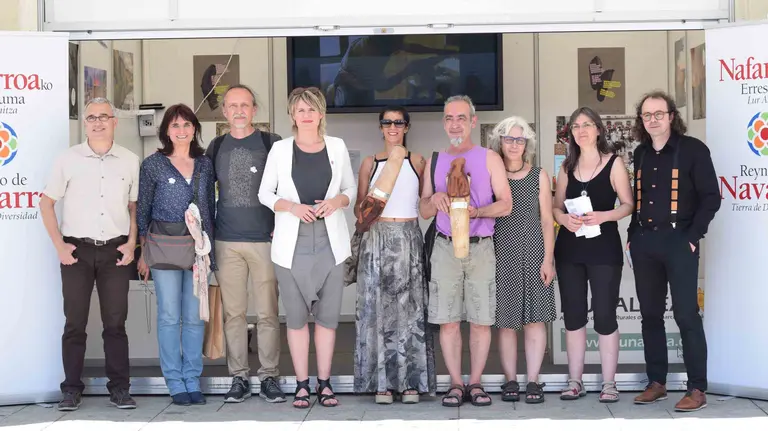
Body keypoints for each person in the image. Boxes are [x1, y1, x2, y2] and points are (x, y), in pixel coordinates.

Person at [258, 86, 356, 409]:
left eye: (312, 108)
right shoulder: (280, 150)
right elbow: (265, 194)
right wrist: (290, 206)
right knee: (297, 319)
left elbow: (349, 189)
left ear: (321, 113)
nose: (306, 114)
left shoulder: (337, 147)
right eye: (300, 110)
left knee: (328, 319)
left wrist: (337, 202)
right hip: (291, 246)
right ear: (292, 116)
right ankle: (302, 385)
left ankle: (324, 384)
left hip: (330, 244)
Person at [39, 97, 139, 411]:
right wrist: (59, 246)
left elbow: (133, 207)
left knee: (115, 324)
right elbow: (46, 203)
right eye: (91, 117)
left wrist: (131, 243)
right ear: (84, 123)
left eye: (103, 117)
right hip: (76, 252)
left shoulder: (129, 159)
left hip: (115, 252)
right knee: (75, 323)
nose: (97, 122)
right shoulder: (68, 159)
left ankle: (120, 389)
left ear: (114, 122)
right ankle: (70, 390)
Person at [628, 91, 720, 412]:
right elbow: (638, 200)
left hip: (680, 241)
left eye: (658, 113)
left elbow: (712, 197)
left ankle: (697, 388)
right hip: (645, 243)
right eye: (646, 115)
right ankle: (657, 382)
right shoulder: (640, 153)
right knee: (650, 315)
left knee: (685, 315)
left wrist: (693, 237)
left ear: (671, 116)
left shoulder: (693, 150)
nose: (652, 119)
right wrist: (631, 235)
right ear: (642, 120)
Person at [419, 95, 512, 407]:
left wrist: (477, 212)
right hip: (445, 248)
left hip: (481, 248)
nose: (454, 123)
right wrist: (435, 200)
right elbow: (423, 209)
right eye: (449, 118)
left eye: (461, 117)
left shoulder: (489, 158)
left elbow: (506, 204)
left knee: (480, 319)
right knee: (447, 320)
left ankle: (476, 383)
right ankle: (456, 384)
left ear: (473, 121)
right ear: (444, 123)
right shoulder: (434, 161)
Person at [205, 84, 286, 403]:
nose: (239, 111)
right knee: (233, 315)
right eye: (232, 105)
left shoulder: (272, 143)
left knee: (267, 313)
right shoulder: (216, 145)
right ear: (224, 111)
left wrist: (281, 228)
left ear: (255, 110)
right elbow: (203, 191)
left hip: (265, 241)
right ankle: (238, 377)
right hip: (226, 241)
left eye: (245, 105)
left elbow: (286, 189)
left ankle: (269, 376)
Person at [352, 106, 436, 404]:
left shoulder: (418, 162)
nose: (392, 127)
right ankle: (382, 383)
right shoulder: (369, 163)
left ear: (407, 127)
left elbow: (426, 205)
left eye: (398, 122)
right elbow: (359, 211)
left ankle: (411, 381)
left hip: (409, 238)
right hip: (376, 239)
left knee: (410, 311)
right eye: (387, 122)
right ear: (380, 127)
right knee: (377, 312)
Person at [136, 104, 216, 406]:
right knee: (169, 316)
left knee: (195, 317)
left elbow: (210, 207)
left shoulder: (205, 164)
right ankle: (174, 380)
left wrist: (212, 252)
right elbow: (143, 209)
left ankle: (193, 378)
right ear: (166, 131)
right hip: (163, 247)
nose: (181, 131)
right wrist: (143, 251)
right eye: (175, 125)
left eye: (186, 125)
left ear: (194, 128)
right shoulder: (153, 164)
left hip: (197, 250)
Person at [552, 106, 634, 403]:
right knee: (573, 316)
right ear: (571, 133)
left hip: (603, 251)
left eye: (587, 124)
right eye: (576, 126)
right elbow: (555, 206)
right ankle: (575, 381)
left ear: (598, 129)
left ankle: (609, 383)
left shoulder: (614, 164)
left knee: (605, 315)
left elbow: (628, 204)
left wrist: (604, 216)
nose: (582, 130)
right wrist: (562, 219)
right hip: (570, 251)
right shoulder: (565, 167)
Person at [488, 116, 556, 404]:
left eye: (520, 139)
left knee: (534, 320)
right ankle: (511, 380)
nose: (514, 145)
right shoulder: (491, 173)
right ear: (499, 142)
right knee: (506, 322)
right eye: (508, 139)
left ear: (526, 143)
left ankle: (533, 381)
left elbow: (546, 219)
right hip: (500, 253)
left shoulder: (538, 175)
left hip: (534, 253)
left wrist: (548, 259)